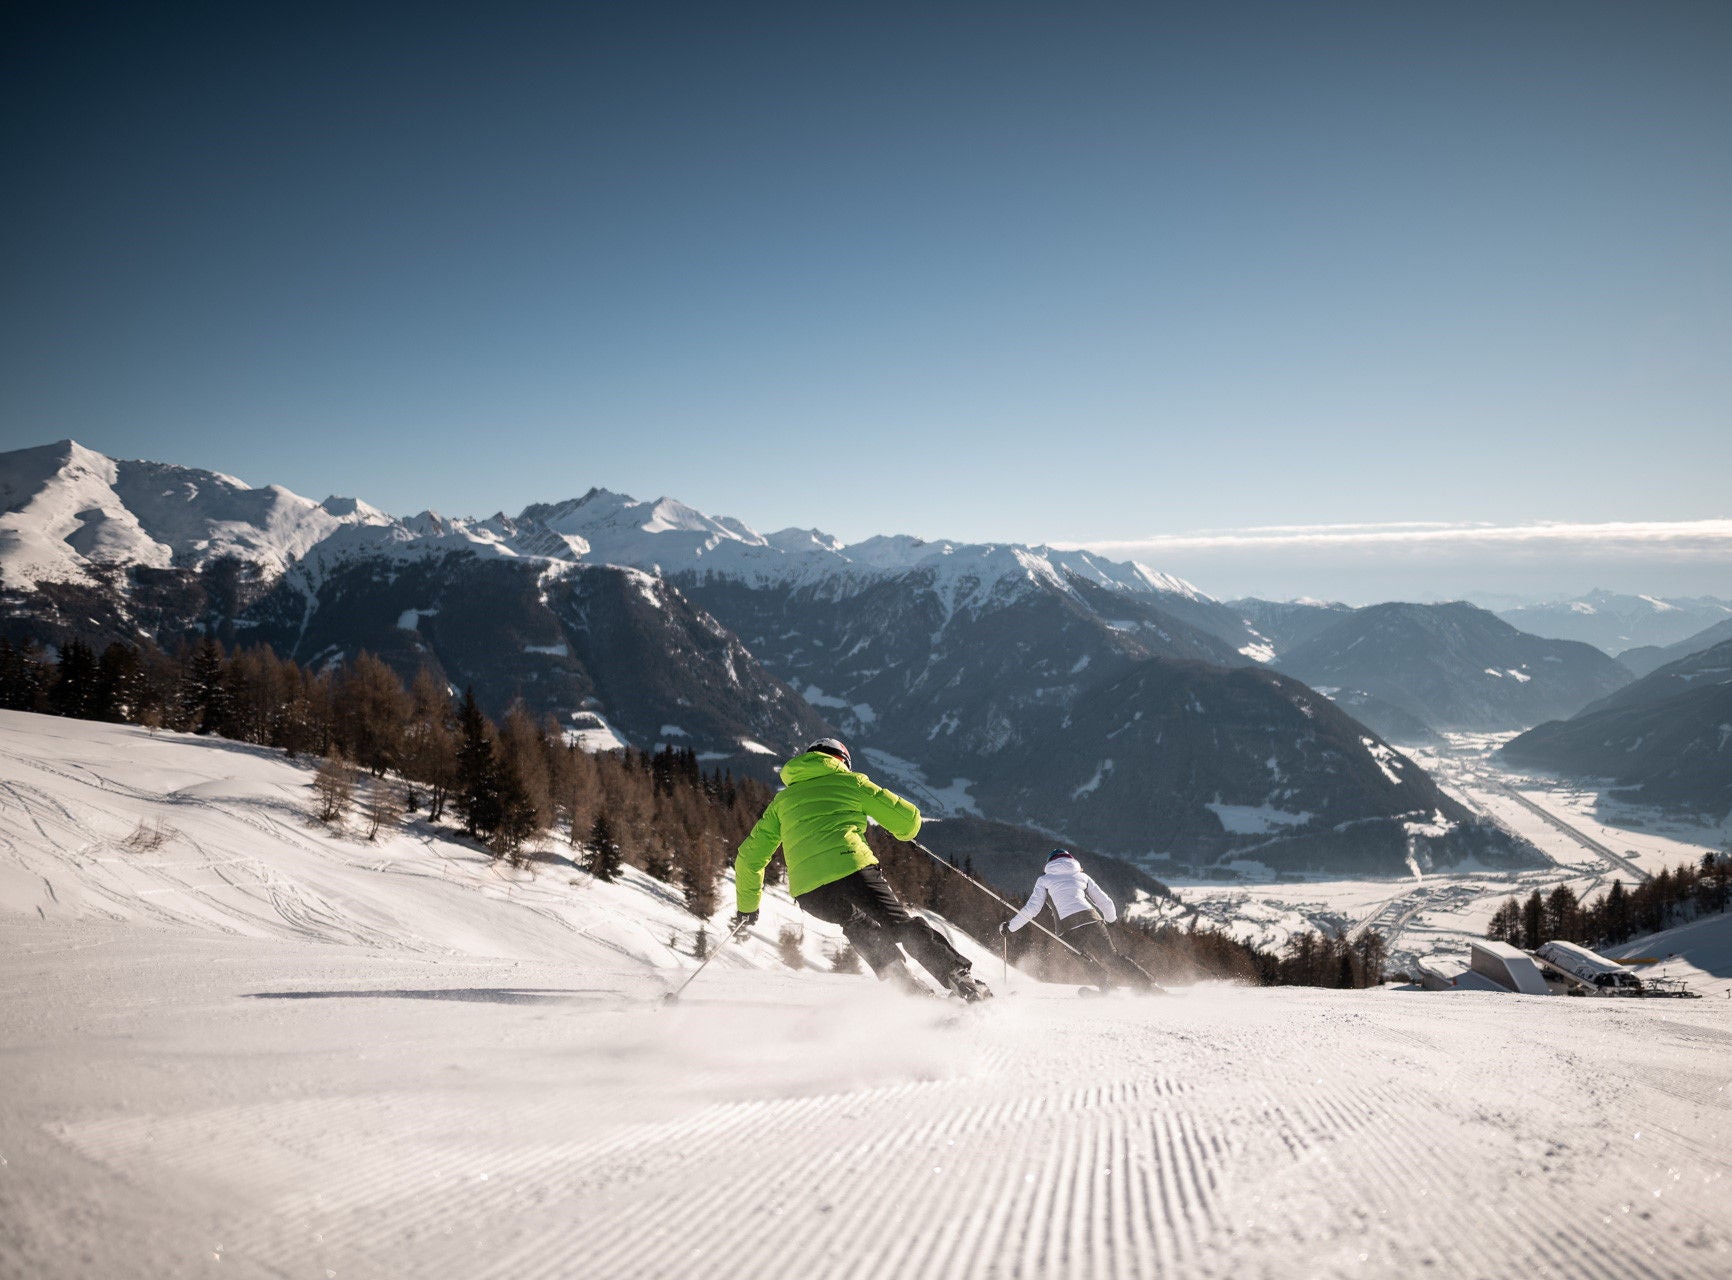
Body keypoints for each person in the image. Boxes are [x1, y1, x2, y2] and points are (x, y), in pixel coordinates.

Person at [733, 738, 992, 1002]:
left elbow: (748, 858)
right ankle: (958, 977)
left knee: (855, 924)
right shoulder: (851, 782)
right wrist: (903, 831)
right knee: (898, 923)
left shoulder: (782, 801)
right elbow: (909, 820)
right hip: (851, 869)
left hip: (808, 891)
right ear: (841, 760)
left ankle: (904, 985)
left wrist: (748, 907)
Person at [1002, 849, 1158, 993]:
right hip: (1092, 920)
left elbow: (1032, 909)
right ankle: (1147, 985)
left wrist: (1010, 927)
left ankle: (1107, 987)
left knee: (1084, 957)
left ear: (1048, 864)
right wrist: (1111, 920)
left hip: (1067, 928)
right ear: (1072, 861)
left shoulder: (1044, 880)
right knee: (1111, 957)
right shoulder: (1082, 876)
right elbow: (1106, 902)